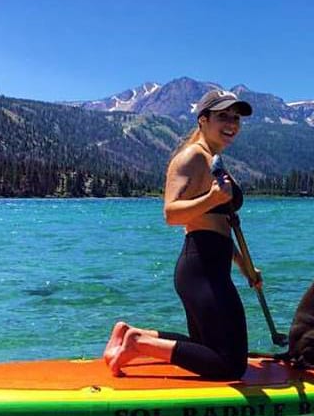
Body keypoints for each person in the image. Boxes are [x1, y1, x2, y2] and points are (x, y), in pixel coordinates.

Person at [103, 89, 262, 380]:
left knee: (208, 347)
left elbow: (222, 223)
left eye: (236, 118)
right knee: (231, 365)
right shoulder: (191, 157)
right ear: (203, 120)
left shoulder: (213, 158)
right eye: (223, 116)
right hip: (200, 268)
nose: (232, 123)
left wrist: (244, 266)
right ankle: (139, 345)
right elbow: (171, 213)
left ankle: (131, 334)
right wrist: (212, 199)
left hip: (213, 263)